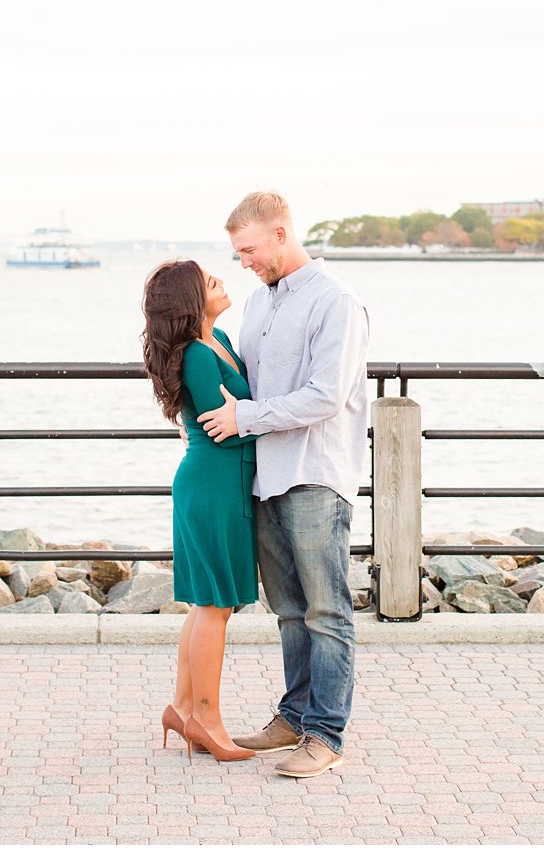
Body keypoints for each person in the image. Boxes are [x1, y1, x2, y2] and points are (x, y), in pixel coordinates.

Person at [196, 190, 370, 779]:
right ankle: (294, 717)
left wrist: (243, 417)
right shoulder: (258, 305)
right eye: (236, 252)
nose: (243, 262)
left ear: (280, 233)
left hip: (316, 473)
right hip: (266, 474)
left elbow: (326, 396)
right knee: (289, 610)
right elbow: (245, 386)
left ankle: (326, 734)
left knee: (326, 610)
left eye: (248, 250)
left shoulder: (335, 302)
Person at [140, 259, 261, 763]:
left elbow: (243, 413)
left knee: (209, 605)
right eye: (210, 282)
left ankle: (183, 708)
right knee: (214, 606)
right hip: (212, 486)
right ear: (192, 301)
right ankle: (207, 721)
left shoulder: (221, 342)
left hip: (222, 484)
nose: (221, 281)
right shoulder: (195, 356)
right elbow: (225, 425)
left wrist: (252, 414)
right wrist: (276, 417)